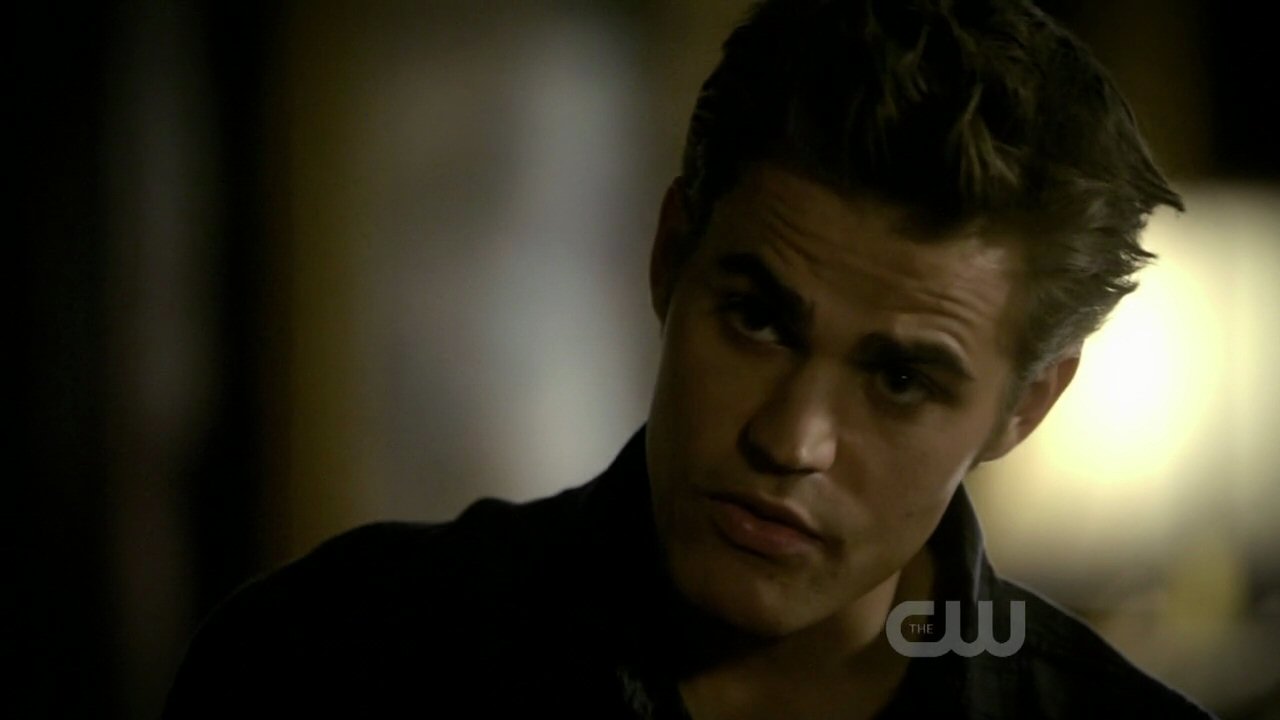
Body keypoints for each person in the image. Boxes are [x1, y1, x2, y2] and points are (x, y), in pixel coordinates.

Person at [165, 0, 1216, 717]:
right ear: (671, 254)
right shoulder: (332, 660)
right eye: (757, 320)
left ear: (1025, 407)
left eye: (899, 379)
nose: (789, 440)